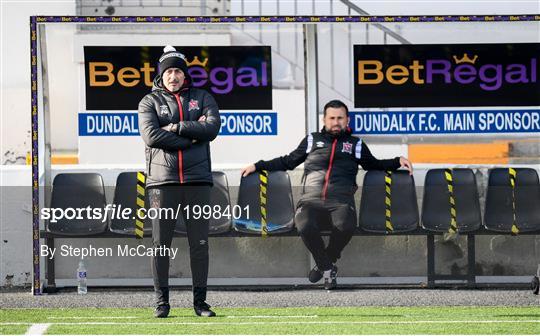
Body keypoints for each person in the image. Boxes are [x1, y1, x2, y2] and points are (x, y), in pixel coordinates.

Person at [241, 100, 413, 290]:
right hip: (310, 200)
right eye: (332, 118)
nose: (336, 122)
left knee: (346, 226)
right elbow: (287, 161)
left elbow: (374, 164)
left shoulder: (355, 144)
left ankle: (324, 264)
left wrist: (398, 160)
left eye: (340, 118)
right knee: (304, 225)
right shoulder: (311, 140)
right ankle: (327, 268)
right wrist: (258, 165)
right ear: (324, 119)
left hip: (340, 201)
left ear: (347, 120)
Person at [138, 45, 220, 317]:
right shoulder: (149, 102)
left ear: (185, 75)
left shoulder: (203, 97)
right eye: (169, 71)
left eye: (178, 71)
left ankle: (200, 303)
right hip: (163, 183)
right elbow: (151, 136)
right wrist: (193, 138)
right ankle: (161, 303)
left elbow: (212, 128)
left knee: (199, 245)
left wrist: (175, 127)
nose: (173, 76)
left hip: (198, 182)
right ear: (161, 76)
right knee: (161, 245)